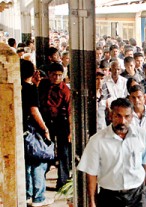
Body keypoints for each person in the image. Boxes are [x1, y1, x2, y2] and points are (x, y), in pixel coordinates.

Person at [77, 98, 146, 207]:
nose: (122, 121)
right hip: (109, 197)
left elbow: (144, 163)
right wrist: (92, 202)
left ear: (132, 117)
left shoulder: (143, 136)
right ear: (110, 115)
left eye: (127, 117)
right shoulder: (97, 141)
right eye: (118, 116)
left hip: (137, 195)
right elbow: (91, 173)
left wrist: (144, 190)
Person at [21, 60, 54, 207]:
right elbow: (34, 110)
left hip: (22, 131)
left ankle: (27, 194)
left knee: (27, 163)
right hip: (32, 131)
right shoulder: (30, 89)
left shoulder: (19, 87)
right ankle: (39, 197)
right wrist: (45, 129)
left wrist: (35, 85)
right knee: (39, 162)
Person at [38, 62, 72, 190]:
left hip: (62, 123)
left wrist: (70, 131)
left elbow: (69, 112)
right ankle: (40, 178)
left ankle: (62, 181)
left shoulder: (65, 90)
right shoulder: (43, 85)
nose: (57, 78)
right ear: (48, 75)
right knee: (45, 149)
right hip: (46, 122)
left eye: (59, 75)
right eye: (54, 75)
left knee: (63, 152)